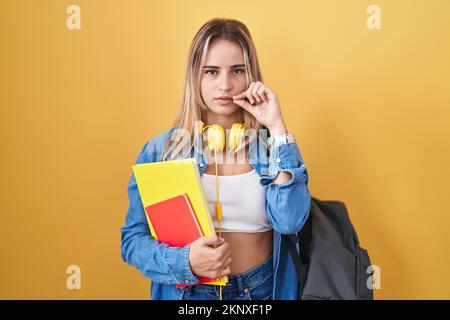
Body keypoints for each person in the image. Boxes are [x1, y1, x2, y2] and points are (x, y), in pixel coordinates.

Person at [120, 17, 311, 300]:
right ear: (194, 76)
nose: (225, 85)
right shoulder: (159, 152)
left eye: (237, 71)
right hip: (190, 294)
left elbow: (291, 221)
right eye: (211, 72)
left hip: (262, 290)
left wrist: (278, 129)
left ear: (251, 76)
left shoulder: (274, 147)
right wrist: (186, 262)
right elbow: (132, 242)